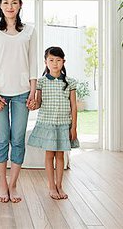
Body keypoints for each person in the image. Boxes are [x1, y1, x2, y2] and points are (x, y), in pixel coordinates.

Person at [0, 0, 37, 203]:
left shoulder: (29, 31)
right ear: (0, 5)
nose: (10, 7)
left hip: (23, 93)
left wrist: (33, 91)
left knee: (18, 140)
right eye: (6, 3)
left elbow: (33, 63)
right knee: (1, 140)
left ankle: (13, 185)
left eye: (14, 2)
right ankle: (2, 184)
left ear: (20, 5)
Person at [27, 46, 78, 200]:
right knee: (49, 155)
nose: (55, 63)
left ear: (63, 62)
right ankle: (51, 186)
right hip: (47, 123)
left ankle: (59, 186)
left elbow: (74, 106)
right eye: (51, 60)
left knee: (60, 156)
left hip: (63, 124)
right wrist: (32, 104)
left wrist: (74, 127)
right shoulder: (41, 82)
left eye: (58, 60)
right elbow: (39, 103)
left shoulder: (70, 82)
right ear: (46, 62)